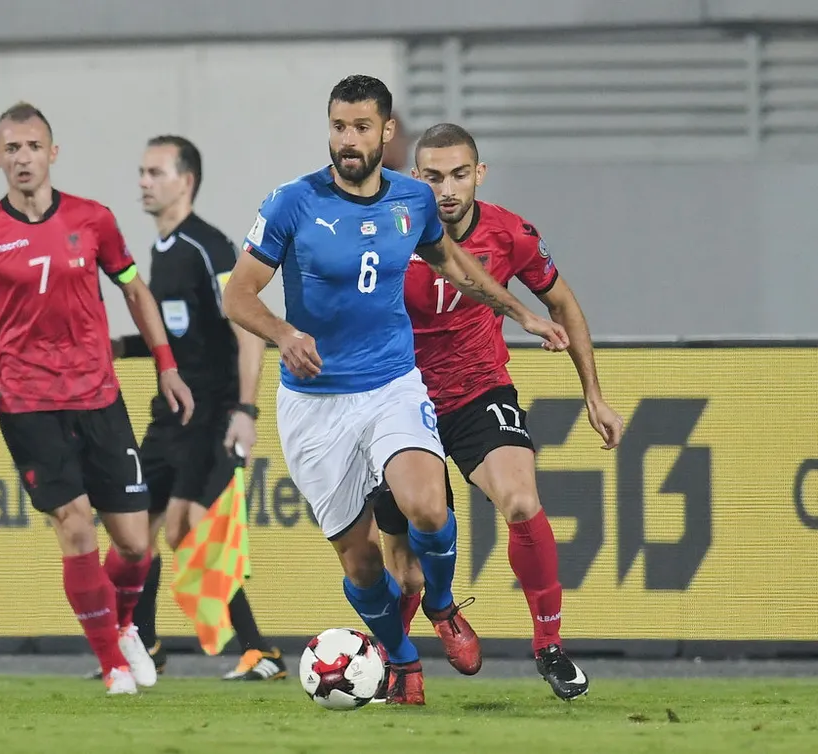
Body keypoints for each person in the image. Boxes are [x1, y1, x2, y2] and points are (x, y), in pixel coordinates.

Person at [222, 75, 570, 706]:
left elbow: (454, 265)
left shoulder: (412, 199)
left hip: (391, 384)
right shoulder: (291, 203)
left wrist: (520, 313)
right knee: (361, 564)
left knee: (428, 508)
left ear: (386, 132)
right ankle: (404, 660)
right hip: (314, 401)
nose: (347, 140)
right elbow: (238, 293)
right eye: (338, 127)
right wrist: (282, 333)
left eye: (361, 128)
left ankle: (442, 605)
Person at [0, 102, 194, 696]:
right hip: (25, 401)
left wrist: (166, 366)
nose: (23, 157)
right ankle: (112, 666)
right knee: (75, 525)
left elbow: (135, 291)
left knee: (135, 544)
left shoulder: (94, 220)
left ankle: (123, 627)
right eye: (12, 148)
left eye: (33, 146)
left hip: (98, 395)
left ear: (52, 153)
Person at [371, 122, 625, 701]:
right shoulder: (387, 233)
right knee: (406, 572)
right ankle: (403, 653)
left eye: (459, 174)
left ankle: (549, 647)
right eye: (433, 177)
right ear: (414, 177)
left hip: (477, 392)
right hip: (399, 400)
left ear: (479, 174)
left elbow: (562, 303)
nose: (447, 189)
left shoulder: (511, 234)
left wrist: (593, 393)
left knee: (521, 500)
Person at [85, 135, 286, 682]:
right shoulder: (161, 250)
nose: (143, 182)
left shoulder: (209, 248)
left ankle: (259, 650)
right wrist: (123, 347)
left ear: (187, 181)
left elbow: (249, 331)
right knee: (136, 530)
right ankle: (144, 645)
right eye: (142, 172)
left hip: (213, 414)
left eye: (155, 172)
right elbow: (181, 336)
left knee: (190, 529)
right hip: (170, 416)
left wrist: (245, 410)